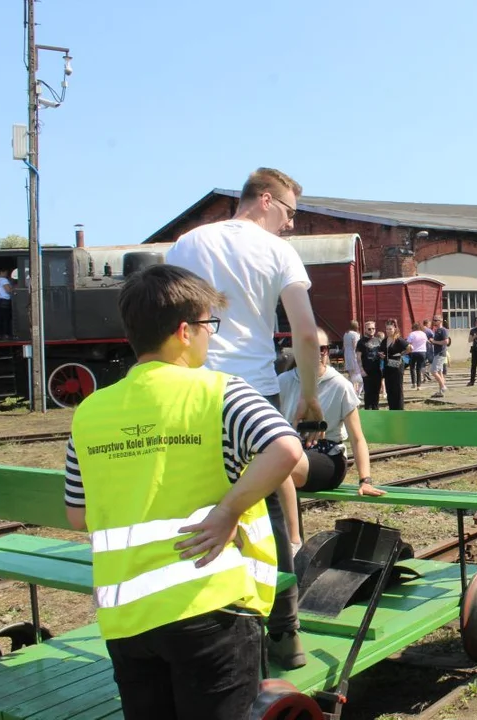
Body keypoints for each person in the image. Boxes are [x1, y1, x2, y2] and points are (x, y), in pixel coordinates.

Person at [63, 264, 304, 719]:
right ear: (183, 331)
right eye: (208, 325)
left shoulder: (89, 412)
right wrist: (229, 510)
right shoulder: (220, 392)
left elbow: (79, 515)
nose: (210, 337)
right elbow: (286, 449)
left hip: (126, 617)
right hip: (210, 604)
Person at [166, 167, 320, 669]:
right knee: (267, 503)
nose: (292, 224)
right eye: (291, 212)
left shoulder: (187, 244)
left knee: (195, 499)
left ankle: (202, 623)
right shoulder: (278, 252)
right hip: (253, 390)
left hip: (191, 390)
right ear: (267, 199)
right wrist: (311, 397)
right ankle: (285, 633)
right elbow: (303, 330)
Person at [278, 327, 386, 500]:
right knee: (274, 462)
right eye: (312, 348)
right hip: (291, 449)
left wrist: (365, 480)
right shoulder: (283, 382)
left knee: (279, 465)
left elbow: (357, 438)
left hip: (328, 456)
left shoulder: (340, 385)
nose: (319, 354)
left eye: (323, 349)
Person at [381, 318, 411, 410]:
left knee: (397, 387)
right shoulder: (385, 340)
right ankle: (392, 407)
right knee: (389, 386)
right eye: (387, 329)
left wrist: (402, 353)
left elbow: (410, 348)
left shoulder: (398, 340)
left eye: (390, 329)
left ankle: (399, 408)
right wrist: (381, 355)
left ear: (394, 329)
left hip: (397, 365)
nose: (388, 331)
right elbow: (382, 350)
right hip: (388, 365)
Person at [357, 320, 382, 410]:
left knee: (376, 391)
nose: (372, 330)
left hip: (377, 370)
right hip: (367, 371)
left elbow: (381, 353)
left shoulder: (378, 340)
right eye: (369, 329)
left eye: (373, 328)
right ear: (365, 330)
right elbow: (358, 357)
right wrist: (361, 370)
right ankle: (368, 410)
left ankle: (376, 409)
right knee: (368, 392)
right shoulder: (361, 342)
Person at [407, 322, 428, 389]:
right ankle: (419, 385)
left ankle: (413, 383)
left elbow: (408, 343)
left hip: (414, 352)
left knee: (412, 367)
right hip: (423, 352)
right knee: (418, 368)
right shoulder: (424, 334)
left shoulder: (412, 334)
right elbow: (426, 341)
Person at [343, 319, 362, 393]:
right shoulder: (355, 334)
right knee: (358, 375)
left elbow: (344, 346)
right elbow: (355, 346)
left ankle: (350, 391)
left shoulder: (346, 334)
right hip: (354, 355)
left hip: (347, 354)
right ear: (356, 326)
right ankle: (357, 393)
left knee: (351, 375)